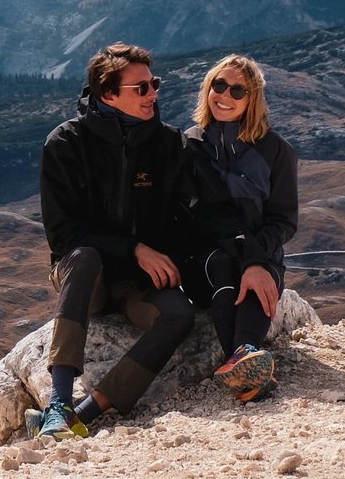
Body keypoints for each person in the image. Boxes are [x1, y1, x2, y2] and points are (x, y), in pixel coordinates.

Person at [31, 42, 196, 438]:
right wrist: (134, 249)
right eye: (141, 88)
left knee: (180, 315)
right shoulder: (66, 144)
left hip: (136, 284)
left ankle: (86, 413)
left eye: (153, 84)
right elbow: (64, 235)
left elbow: (186, 220)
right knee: (85, 256)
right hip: (87, 277)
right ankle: (59, 403)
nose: (154, 94)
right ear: (108, 94)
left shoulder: (170, 145)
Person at [182, 53, 298, 402]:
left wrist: (258, 260)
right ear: (208, 89)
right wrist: (251, 261)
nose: (225, 96)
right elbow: (202, 217)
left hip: (262, 254)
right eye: (219, 85)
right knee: (223, 264)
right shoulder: (190, 145)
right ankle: (249, 361)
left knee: (256, 272)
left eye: (238, 90)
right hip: (207, 259)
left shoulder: (276, 151)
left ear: (253, 99)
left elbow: (284, 220)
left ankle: (244, 358)